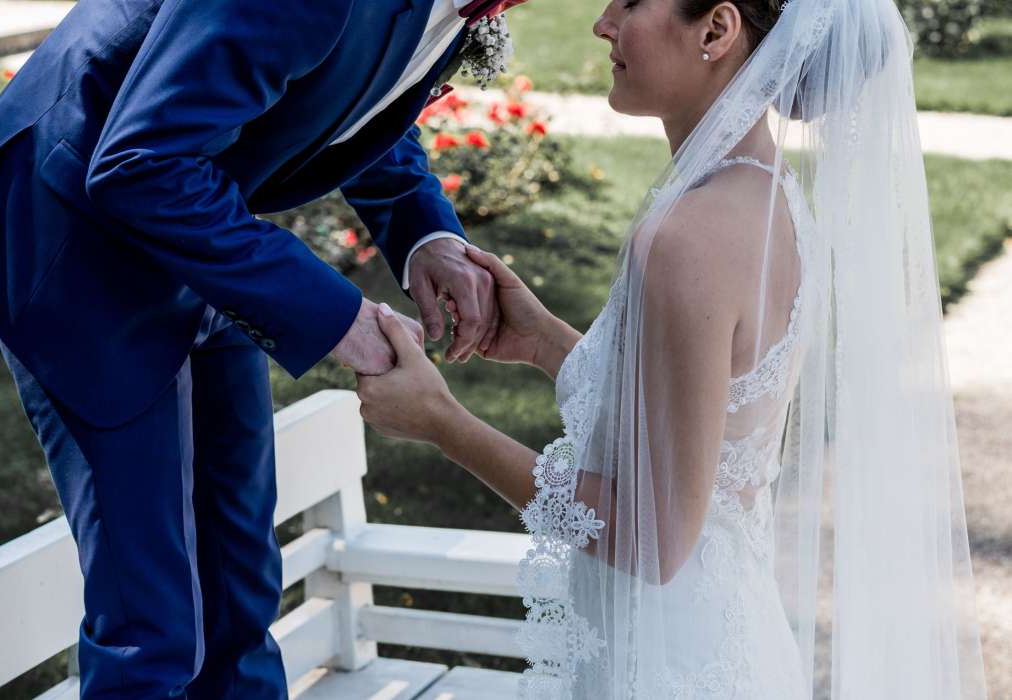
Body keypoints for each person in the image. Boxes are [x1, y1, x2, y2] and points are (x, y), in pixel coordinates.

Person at [356, 0, 989, 697]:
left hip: (665, 665)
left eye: (631, 2)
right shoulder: (770, 196)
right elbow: (704, 421)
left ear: (716, 30)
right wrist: (545, 343)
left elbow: (652, 539)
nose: (602, 23)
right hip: (723, 639)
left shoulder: (689, 239)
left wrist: (442, 423)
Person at [0, 1, 529, 698]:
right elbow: (139, 162)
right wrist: (336, 318)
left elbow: (360, 85)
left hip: (209, 231)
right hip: (77, 237)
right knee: (150, 622)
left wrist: (425, 234)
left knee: (241, 584)